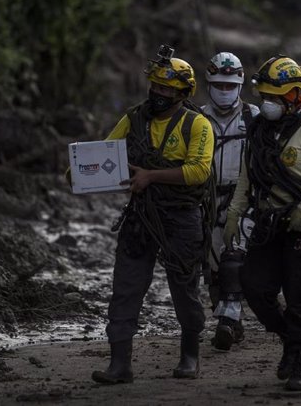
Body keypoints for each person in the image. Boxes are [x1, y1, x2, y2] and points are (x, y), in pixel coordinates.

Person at [90, 45, 215, 383]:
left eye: (166, 89)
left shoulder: (198, 125)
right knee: (126, 286)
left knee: (185, 288)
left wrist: (150, 176)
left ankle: (190, 356)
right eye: (156, 87)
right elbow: (107, 151)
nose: (158, 94)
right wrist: (81, 174)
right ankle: (120, 364)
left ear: (182, 93)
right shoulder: (133, 117)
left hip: (181, 217)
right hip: (141, 216)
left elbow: (199, 172)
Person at [223, 56, 301, 391]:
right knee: (254, 285)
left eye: (275, 96)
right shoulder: (258, 131)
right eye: (265, 96)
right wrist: (234, 213)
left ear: (294, 95)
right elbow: (248, 175)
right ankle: (291, 338)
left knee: (300, 294)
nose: (268, 103)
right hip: (268, 223)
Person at [200, 52, 259, 351]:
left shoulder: (255, 118)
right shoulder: (196, 119)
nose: (224, 91)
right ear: (208, 84)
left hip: (244, 199)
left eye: (229, 86)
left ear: (240, 86)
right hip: (207, 200)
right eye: (218, 85)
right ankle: (231, 322)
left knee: (234, 258)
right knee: (211, 267)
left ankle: (228, 319)